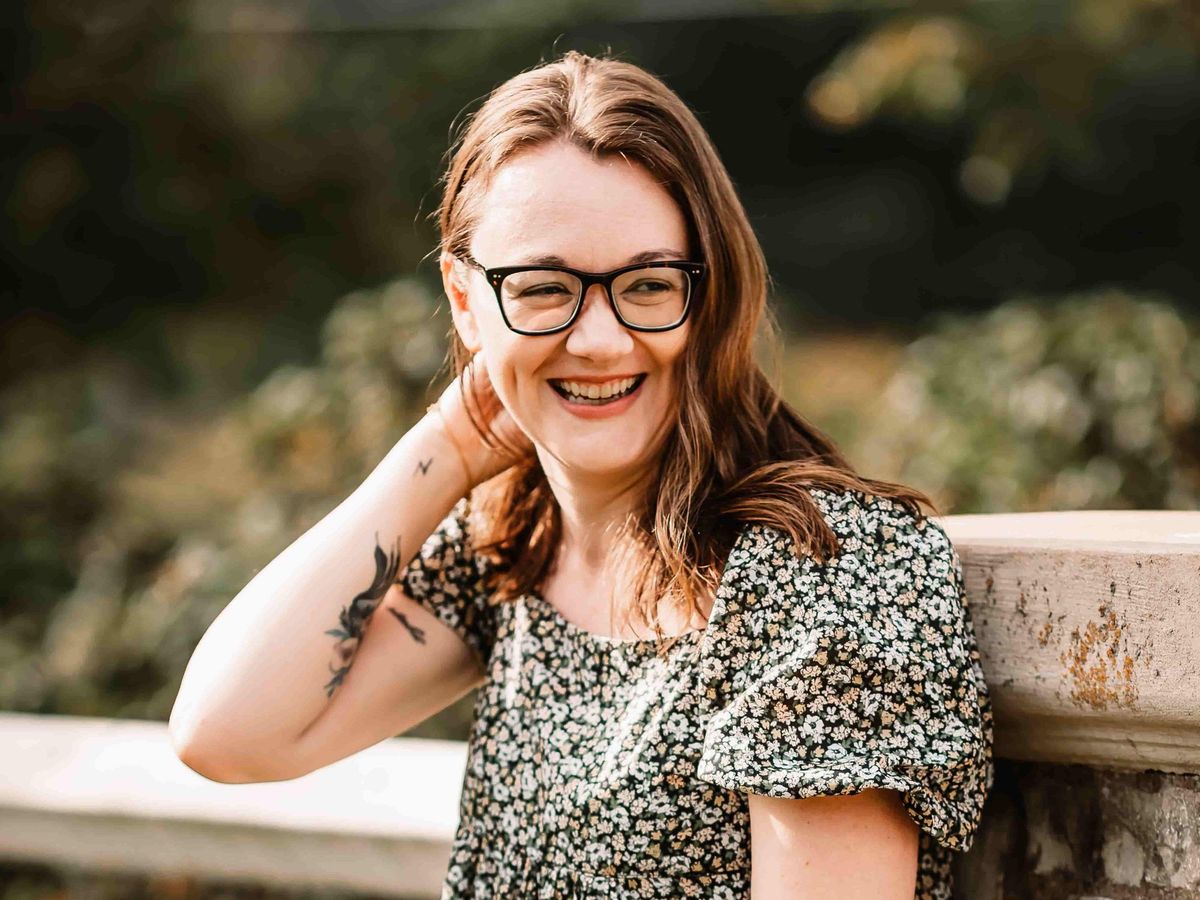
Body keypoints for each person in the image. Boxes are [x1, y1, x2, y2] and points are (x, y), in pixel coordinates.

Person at [170, 50, 994, 900]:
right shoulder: (511, 546)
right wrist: (445, 449)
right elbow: (224, 733)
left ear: (707, 292)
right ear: (463, 298)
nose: (599, 340)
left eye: (646, 284)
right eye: (541, 288)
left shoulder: (826, 569)